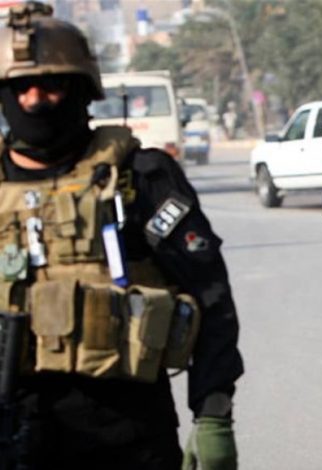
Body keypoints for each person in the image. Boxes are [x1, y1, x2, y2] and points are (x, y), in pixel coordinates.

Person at [0, 4, 243, 469]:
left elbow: (211, 297)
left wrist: (213, 415)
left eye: (52, 85)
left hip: (128, 434)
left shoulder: (139, 177)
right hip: (14, 432)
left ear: (82, 90)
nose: (34, 99)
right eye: (19, 87)